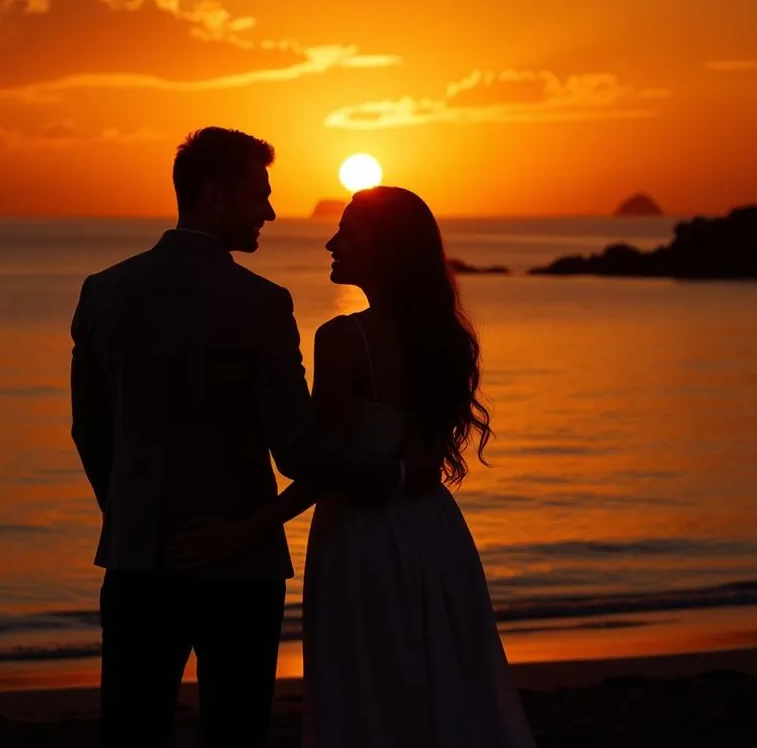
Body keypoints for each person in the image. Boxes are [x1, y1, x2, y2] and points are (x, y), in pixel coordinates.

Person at [70, 127, 407, 747]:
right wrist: (386, 467)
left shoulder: (104, 291)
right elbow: (297, 449)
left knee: (130, 729)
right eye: (260, 195)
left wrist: (129, 515)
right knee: (237, 732)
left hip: (136, 558)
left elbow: (89, 429)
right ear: (216, 194)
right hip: (239, 564)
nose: (271, 212)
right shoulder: (261, 304)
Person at [179, 186, 536, 747]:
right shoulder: (442, 338)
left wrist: (245, 531)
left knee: (369, 691)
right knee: (437, 683)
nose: (331, 242)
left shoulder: (344, 338)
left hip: (363, 541)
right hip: (436, 533)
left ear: (386, 247)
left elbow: (326, 465)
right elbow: (415, 458)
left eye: (347, 231)